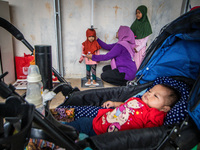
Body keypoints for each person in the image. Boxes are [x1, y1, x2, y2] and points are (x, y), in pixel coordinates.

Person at [62, 84, 180, 136]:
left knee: (77, 126)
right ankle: (56, 118)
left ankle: (55, 136)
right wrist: (114, 103)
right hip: (102, 118)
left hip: (105, 133)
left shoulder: (154, 114)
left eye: (155, 96)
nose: (149, 94)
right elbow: (125, 104)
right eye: (150, 91)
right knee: (78, 118)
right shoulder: (138, 100)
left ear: (164, 108)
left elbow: (151, 134)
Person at [130, 5, 152, 69]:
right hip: (133, 48)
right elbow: (131, 36)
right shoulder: (135, 24)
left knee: (138, 64)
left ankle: (137, 77)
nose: (137, 14)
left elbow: (145, 41)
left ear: (143, 13)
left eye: (139, 13)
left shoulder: (146, 25)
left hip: (140, 49)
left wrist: (138, 48)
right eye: (136, 13)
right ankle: (132, 77)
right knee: (132, 63)